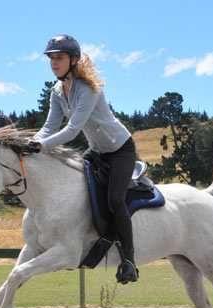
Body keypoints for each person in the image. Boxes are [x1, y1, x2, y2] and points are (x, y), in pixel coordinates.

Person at [28, 34, 139, 284]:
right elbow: (49, 127)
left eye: (59, 58)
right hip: (97, 151)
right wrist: (30, 143)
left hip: (120, 150)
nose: (54, 63)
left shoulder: (88, 88)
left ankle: (129, 261)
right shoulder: (56, 91)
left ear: (74, 60)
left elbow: (72, 130)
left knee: (115, 200)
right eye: (51, 59)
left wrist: (42, 145)